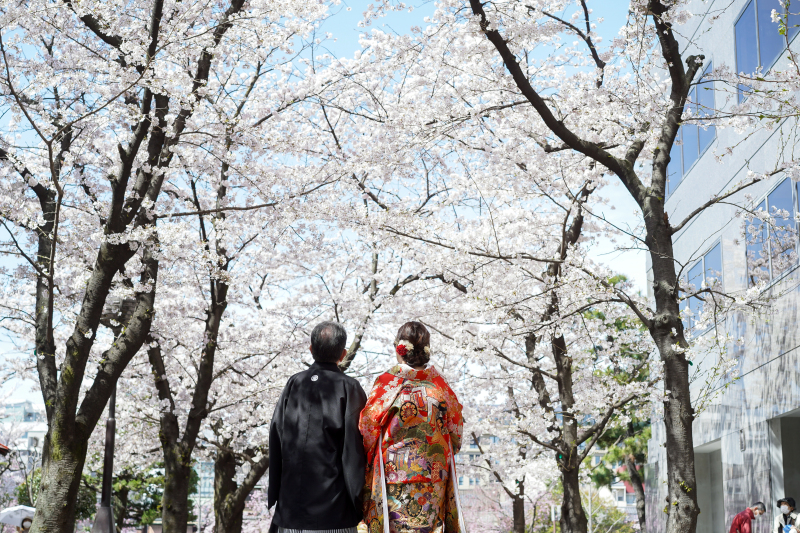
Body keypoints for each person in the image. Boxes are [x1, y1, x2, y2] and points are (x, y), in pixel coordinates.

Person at [359, 321, 465, 533]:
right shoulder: (440, 385)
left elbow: (368, 426)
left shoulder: (389, 382)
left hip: (394, 474)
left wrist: (368, 455)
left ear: (400, 349)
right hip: (434, 475)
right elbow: (456, 429)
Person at [268, 321, 368, 533]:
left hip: (290, 508)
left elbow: (277, 436)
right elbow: (354, 451)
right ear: (343, 354)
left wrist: (276, 494)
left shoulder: (294, 383)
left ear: (311, 349)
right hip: (334, 510)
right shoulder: (349, 387)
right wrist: (360, 501)